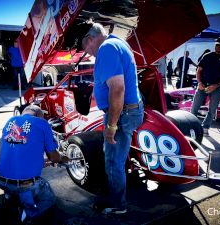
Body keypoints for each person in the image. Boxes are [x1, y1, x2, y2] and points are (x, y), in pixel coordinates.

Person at [82, 23, 144, 214]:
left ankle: (117, 205)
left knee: (112, 161)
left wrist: (111, 126)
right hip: (128, 110)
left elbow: (117, 89)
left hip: (121, 113)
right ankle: (117, 194)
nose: (90, 54)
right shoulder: (118, 43)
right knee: (117, 157)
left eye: (87, 49)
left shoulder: (107, 49)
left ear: (91, 39)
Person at [0, 105, 69, 223]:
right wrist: (62, 158)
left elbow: (12, 151)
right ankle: (28, 216)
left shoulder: (10, 121)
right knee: (49, 199)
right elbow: (53, 157)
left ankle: (9, 197)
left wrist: (39, 161)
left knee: (15, 185)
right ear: (39, 115)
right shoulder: (42, 123)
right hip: (23, 185)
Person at [191, 36, 220, 136]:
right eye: (217, 45)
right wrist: (199, 82)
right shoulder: (207, 55)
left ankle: (205, 127)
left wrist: (217, 85)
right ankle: (191, 125)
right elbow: (199, 70)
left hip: (217, 88)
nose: (218, 47)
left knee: (212, 109)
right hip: (203, 85)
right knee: (194, 107)